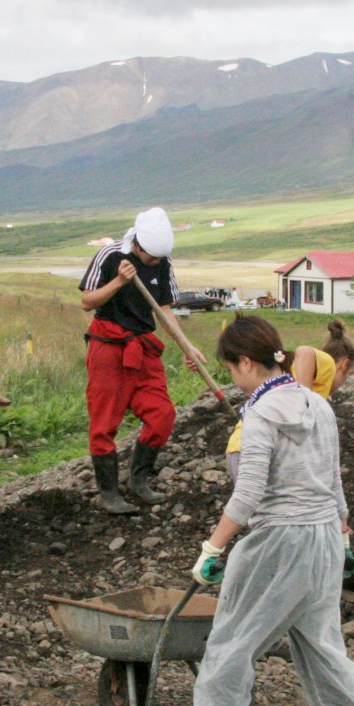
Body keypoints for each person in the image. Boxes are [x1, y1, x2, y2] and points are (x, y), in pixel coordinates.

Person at [186, 316, 354, 706]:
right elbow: (333, 482)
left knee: (233, 639)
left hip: (279, 540)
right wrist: (344, 534)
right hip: (323, 542)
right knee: (322, 646)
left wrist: (212, 549)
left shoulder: (260, 414)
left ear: (246, 362)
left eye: (232, 370)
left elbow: (249, 493)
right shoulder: (320, 407)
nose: (233, 381)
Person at [79, 207, 207, 515]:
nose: (154, 262)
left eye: (159, 258)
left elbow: (163, 309)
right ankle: (108, 492)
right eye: (150, 257)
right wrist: (119, 282)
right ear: (136, 243)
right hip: (109, 348)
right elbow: (86, 301)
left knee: (162, 413)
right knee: (105, 420)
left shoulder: (163, 263)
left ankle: (139, 480)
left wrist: (187, 345)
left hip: (144, 349)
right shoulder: (110, 256)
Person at [224, 318, 354, 482]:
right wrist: (300, 405)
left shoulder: (289, 374)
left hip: (243, 448)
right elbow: (305, 352)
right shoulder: (327, 363)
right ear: (344, 365)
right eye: (347, 376)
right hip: (256, 450)